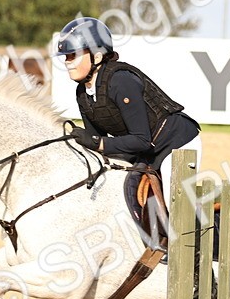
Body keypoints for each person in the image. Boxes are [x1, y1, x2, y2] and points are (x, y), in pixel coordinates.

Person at [54, 16, 201, 205]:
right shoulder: (82, 92)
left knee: (174, 204)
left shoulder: (121, 81)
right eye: (66, 57)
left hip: (176, 144)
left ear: (96, 56)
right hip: (144, 151)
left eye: (73, 55)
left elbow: (141, 140)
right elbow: (98, 143)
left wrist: (96, 142)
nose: (67, 62)